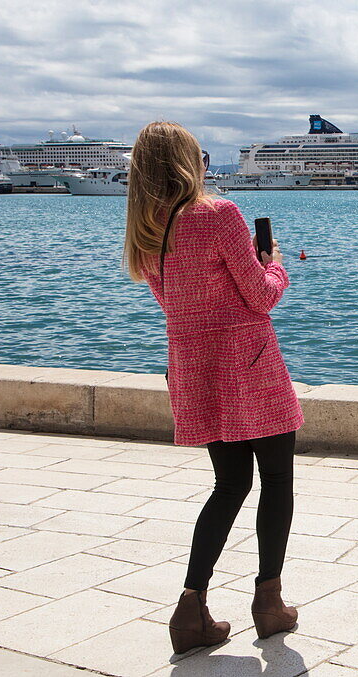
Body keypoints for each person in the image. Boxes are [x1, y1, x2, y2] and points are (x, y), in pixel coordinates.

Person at [122, 121, 304, 653]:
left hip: (194, 367)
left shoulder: (146, 231)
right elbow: (259, 296)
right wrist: (272, 266)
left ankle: (190, 608)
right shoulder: (217, 214)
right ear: (187, 162)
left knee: (229, 485)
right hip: (248, 364)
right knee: (275, 478)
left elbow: (182, 304)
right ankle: (268, 603)